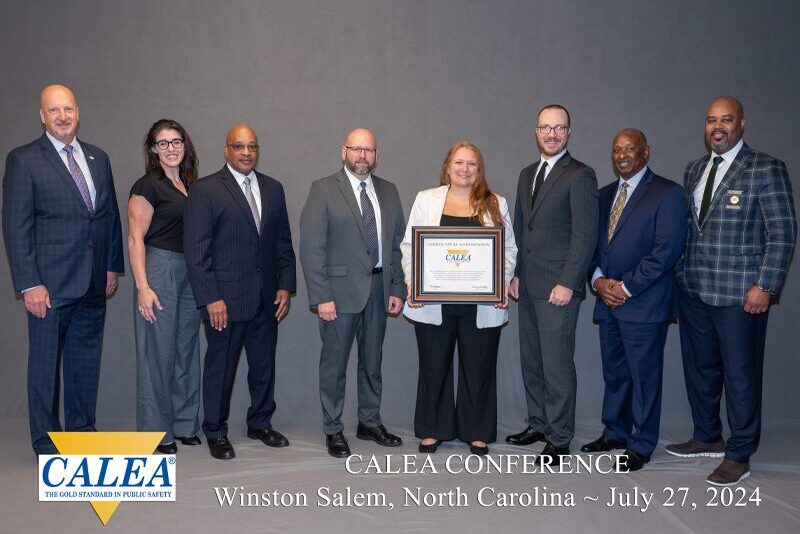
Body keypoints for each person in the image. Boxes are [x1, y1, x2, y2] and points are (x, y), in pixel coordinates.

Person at [668, 97, 796, 485]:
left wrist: (766, 285)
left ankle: (739, 452)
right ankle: (707, 435)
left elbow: (783, 231)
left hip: (741, 296)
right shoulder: (694, 169)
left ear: (742, 123)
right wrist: (678, 283)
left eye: (726, 120)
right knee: (700, 370)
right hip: (694, 290)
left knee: (740, 375)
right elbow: (690, 231)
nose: (717, 127)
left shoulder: (766, 168)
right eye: (711, 120)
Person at [2, 84, 124, 456]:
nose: (62, 116)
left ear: (77, 112)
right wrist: (29, 283)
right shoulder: (24, 160)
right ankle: (45, 440)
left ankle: (82, 431)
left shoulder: (97, 158)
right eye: (53, 110)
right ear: (42, 116)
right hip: (48, 287)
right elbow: (15, 225)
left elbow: (109, 217)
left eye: (67, 109)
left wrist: (110, 267)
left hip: (91, 281)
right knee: (44, 366)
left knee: (85, 362)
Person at [184, 124, 296, 460]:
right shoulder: (205, 190)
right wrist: (210, 298)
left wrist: (285, 286)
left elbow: (283, 243)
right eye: (238, 146)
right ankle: (216, 431)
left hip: (266, 298)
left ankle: (260, 423)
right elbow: (196, 251)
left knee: (263, 366)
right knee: (221, 367)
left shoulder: (273, 189)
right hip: (225, 302)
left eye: (251, 146)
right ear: (226, 150)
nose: (246, 152)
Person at [402, 141, 517, 456]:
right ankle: (432, 428)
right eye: (459, 163)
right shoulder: (426, 200)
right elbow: (409, 246)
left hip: (482, 305)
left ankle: (475, 430)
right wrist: (413, 282)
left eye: (472, 164)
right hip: (433, 302)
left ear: (479, 171)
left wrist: (502, 283)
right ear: (448, 166)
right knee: (433, 365)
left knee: (478, 367)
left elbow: (508, 250)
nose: (465, 169)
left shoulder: (496, 203)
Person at [582, 129, 685, 471]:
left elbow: (666, 251)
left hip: (642, 303)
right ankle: (615, 432)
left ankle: (641, 444)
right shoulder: (603, 195)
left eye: (629, 148)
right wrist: (598, 282)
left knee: (644, 377)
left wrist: (624, 288)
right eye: (616, 150)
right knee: (615, 373)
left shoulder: (667, 193)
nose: (622, 155)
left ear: (646, 152)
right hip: (607, 300)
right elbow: (593, 248)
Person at [299, 128, 406, 458]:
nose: (363, 156)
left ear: (376, 155)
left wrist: (397, 286)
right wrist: (321, 296)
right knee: (335, 364)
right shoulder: (323, 189)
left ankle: (369, 421)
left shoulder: (388, 191)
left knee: (372, 362)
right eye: (357, 149)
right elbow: (311, 247)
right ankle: (333, 429)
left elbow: (397, 245)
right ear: (343, 151)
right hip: (338, 293)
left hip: (378, 287)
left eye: (369, 150)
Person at [506, 104, 598, 467]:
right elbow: (519, 228)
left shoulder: (581, 175)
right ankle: (539, 424)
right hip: (528, 285)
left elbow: (585, 236)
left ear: (569, 133)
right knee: (533, 360)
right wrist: (513, 273)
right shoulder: (527, 173)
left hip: (558, 288)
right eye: (546, 127)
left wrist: (568, 282)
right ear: (536, 131)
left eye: (559, 128)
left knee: (557, 364)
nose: (552, 134)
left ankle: (559, 438)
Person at [128, 119, 202, 454]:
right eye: (163, 143)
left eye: (176, 142)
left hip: (190, 272)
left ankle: (185, 423)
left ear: (185, 147)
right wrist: (143, 287)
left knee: (186, 348)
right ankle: (157, 433)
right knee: (158, 353)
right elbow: (135, 239)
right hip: (160, 270)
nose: (170, 149)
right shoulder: (147, 187)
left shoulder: (190, 185)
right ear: (153, 149)